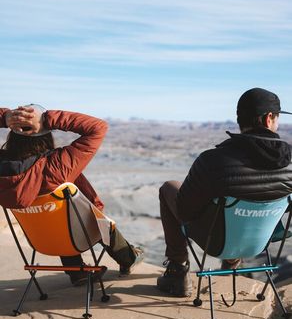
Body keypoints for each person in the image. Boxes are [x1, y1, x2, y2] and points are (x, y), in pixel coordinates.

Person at [157, 87, 292, 297]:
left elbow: (183, 212)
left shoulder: (213, 160)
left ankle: (177, 271)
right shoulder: (290, 164)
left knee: (169, 188)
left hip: (216, 242)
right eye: (276, 118)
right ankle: (232, 264)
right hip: (258, 243)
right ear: (268, 119)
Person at [0, 104, 143, 286]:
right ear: (45, 135)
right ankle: (128, 258)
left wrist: (5, 117)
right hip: (83, 234)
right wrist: (46, 119)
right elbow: (98, 127)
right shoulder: (56, 166)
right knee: (91, 216)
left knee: (58, 216)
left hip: (41, 239)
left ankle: (78, 273)